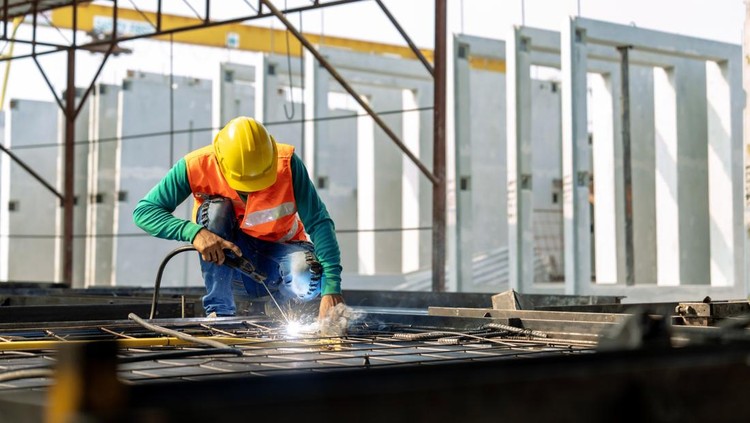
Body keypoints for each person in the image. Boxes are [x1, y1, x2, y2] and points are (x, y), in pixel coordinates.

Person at [133, 116, 344, 320]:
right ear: (220, 163)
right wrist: (194, 232)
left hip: (280, 260)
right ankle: (220, 312)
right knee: (215, 212)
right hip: (235, 265)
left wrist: (332, 289)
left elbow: (319, 222)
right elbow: (144, 212)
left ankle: (282, 308)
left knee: (305, 272)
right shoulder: (196, 165)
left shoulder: (287, 165)